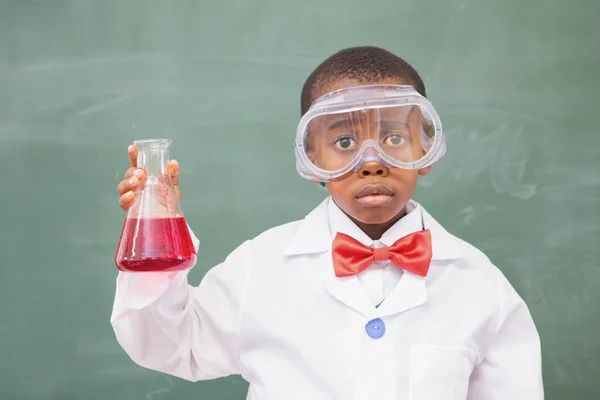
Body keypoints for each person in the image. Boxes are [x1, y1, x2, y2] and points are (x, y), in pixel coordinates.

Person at [111, 46, 544, 400]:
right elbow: (171, 345)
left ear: (424, 149)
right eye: (344, 141)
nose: (372, 162)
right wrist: (155, 235)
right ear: (312, 160)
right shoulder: (258, 268)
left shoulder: (481, 285)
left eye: (394, 138)